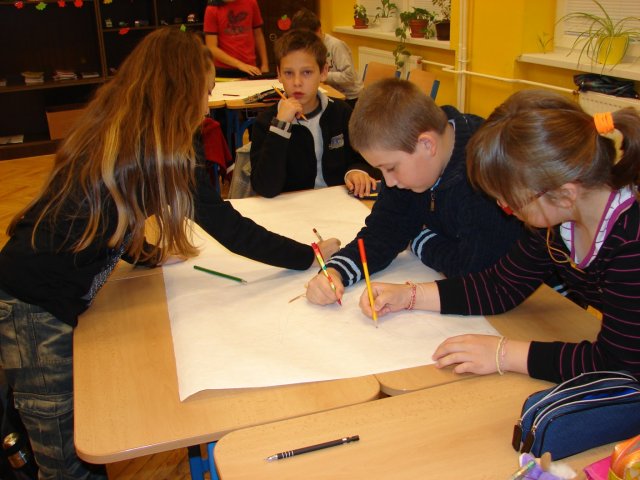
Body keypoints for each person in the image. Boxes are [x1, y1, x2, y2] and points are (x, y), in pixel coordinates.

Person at [0, 29, 339, 479]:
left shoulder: (127, 130)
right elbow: (229, 228)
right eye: (204, 91)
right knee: (65, 462)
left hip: (41, 296)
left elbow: (112, 215)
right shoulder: (154, 149)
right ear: (179, 90)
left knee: (71, 438)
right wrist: (309, 255)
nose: (207, 105)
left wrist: (149, 255)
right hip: (33, 310)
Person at [356, 89, 640, 383]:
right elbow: (501, 285)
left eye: (510, 203)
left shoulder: (630, 245)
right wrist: (410, 295)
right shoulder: (558, 221)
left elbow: (618, 364)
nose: (505, 210)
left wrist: (504, 354)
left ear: (565, 195)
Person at [305, 78, 524, 305]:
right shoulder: (410, 159)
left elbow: (474, 273)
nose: (388, 182)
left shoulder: (487, 172)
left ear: (427, 144)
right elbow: (384, 232)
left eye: (391, 168)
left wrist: (418, 238)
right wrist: (335, 272)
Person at [250, 28, 379, 199]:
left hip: (339, 203)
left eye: (307, 72)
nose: (297, 82)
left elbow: (366, 159)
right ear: (279, 74)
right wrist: (280, 127)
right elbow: (265, 188)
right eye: (288, 73)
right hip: (292, 207)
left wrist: (356, 171)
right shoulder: (266, 122)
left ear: (324, 72)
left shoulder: (341, 112)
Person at [291, 8, 363, 108]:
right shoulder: (310, 47)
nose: (307, 42)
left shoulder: (336, 46)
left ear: (319, 31)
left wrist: (321, 75)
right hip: (330, 93)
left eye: (311, 37)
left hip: (350, 98)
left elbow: (349, 76)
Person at [203, 0, 269, 77]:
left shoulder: (251, 2)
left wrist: (265, 64)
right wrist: (240, 64)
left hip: (250, 68)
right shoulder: (212, 8)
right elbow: (211, 48)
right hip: (223, 70)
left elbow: (258, 35)